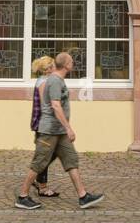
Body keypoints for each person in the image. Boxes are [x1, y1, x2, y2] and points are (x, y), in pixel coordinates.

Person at [16, 53, 104, 210]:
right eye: (71, 61)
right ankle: (22, 196)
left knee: (71, 160)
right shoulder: (54, 81)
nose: (73, 63)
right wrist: (69, 128)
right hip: (49, 131)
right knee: (39, 163)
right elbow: (55, 105)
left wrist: (65, 129)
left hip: (59, 131)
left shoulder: (57, 79)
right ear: (66, 65)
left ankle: (83, 196)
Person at [28, 56, 60, 197]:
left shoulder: (46, 81)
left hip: (46, 123)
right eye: (53, 66)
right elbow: (45, 105)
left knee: (49, 153)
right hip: (44, 124)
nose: (55, 68)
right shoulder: (43, 83)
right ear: (48, 69)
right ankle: (41, 186)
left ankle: (39, 180)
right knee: (45, 155)